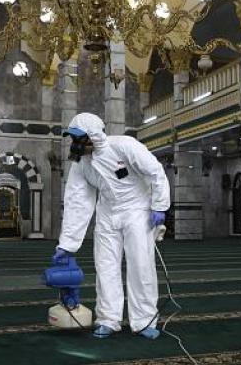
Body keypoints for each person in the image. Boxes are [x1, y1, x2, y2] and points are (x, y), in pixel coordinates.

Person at [53, 113, 170, 339]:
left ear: (94, 136)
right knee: (105, 267)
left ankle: (144, 321)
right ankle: (108, 319)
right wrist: (67, 244)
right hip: (107, 213)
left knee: (140, 266)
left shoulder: (124, 146)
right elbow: (77, 201)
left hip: (137, 210)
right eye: (73, 139)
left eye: (79, 138)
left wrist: (159, 205)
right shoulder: (81, 164)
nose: (76, 144)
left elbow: (155, 171)